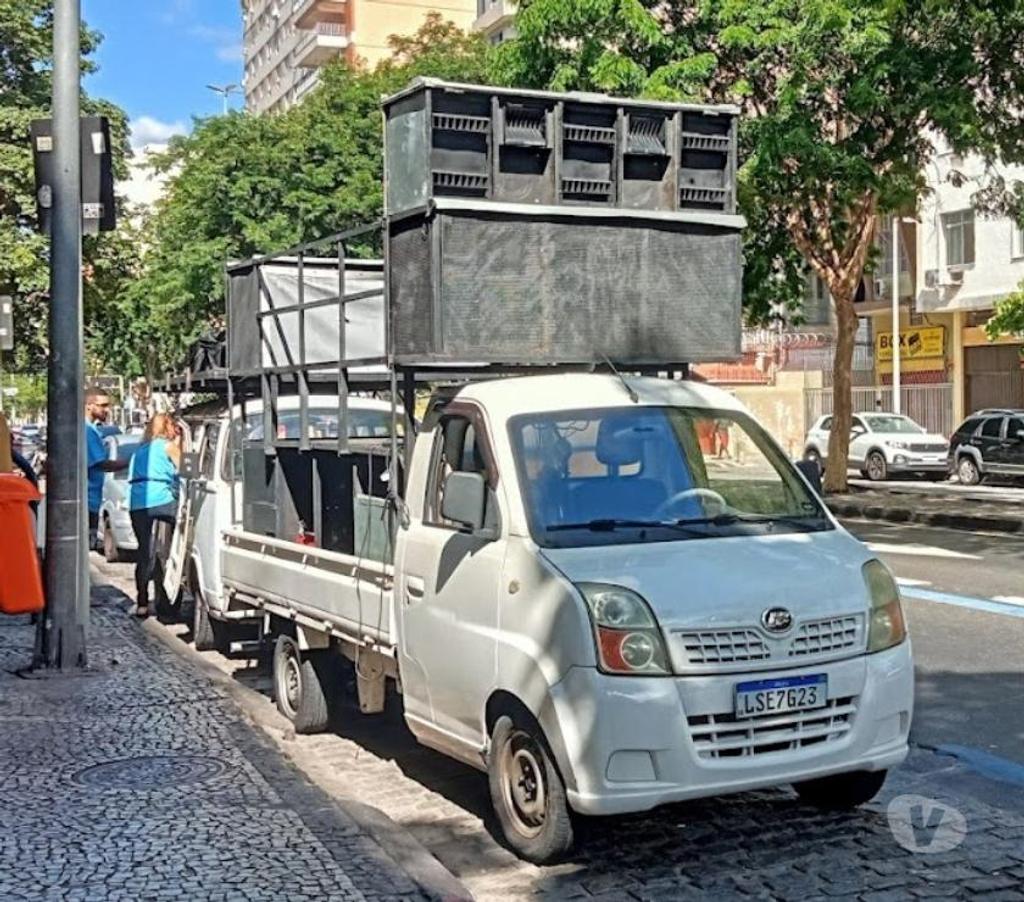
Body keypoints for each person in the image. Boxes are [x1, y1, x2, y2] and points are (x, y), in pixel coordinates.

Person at [127, 413, 182, 617]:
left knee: (144, 552)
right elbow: (187, 468)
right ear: (167, 426)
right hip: (161, 499)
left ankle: (142, 602)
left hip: (137, 503)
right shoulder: (166, 446)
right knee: (183, 527)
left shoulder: (139, 451)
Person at [85, 387, 127, 547]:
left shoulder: (92, 429)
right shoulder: (87, 431)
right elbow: (102, 464)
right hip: (88, 501)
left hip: (92, 500)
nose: (107, 410)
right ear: (89, 405)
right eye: (103, 405)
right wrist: (133, 461)